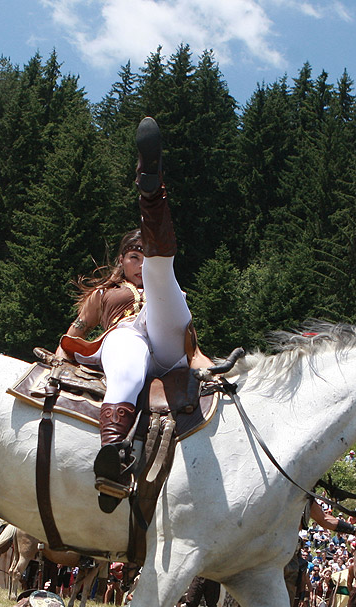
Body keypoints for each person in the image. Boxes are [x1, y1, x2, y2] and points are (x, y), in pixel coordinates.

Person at [56, 117, 208, 512]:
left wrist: (196, 354)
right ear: (121, 260)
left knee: (163, 275)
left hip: (168, 341)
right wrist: (59, 358)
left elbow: (184, 326)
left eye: (142, 256)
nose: (139, 264)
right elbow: (75, 330)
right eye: (134, 257)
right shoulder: (106, 293)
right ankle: (112, 457)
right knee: (130, 359)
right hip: (124, 338)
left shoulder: (159, 288)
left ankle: (151, 189)